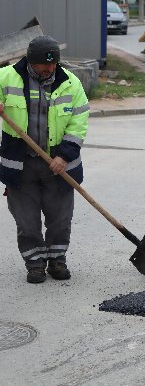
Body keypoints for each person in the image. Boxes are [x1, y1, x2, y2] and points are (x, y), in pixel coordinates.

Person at [0, 35, 89, 284]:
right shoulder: (6, 77)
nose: (49, 69)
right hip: (21, 164)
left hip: (59, 165)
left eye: (53, 64)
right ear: (30, 61)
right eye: (43, 65)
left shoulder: (71, 83)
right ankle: (35, 263)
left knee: (60, 218)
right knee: (26, 221)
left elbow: (79, 121)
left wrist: (64, 155)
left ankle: (57, 260)